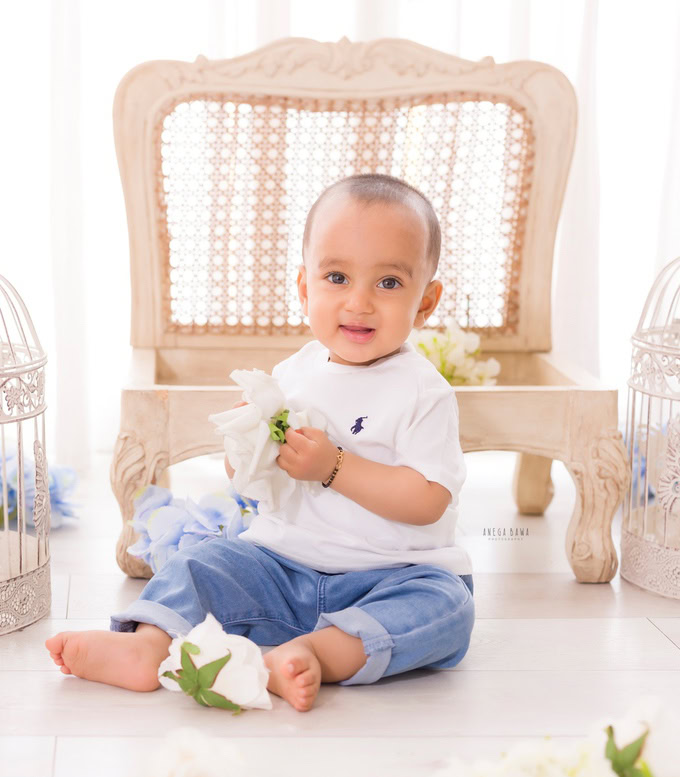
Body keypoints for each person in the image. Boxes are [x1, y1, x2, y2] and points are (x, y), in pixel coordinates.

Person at [45, 173, 475, 712]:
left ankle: (315, 654)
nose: (359, 302)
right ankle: (148, 646)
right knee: (204, 562)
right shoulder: (292, 374)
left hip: (392, 576)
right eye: (337, 277)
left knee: (447, 607)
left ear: (426, 301)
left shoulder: (423, 392)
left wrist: (335, 467)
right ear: (305, 289)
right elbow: (254, 482)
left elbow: (428, 500)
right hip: (280, 566)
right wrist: (246, 450)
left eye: (388, 283)